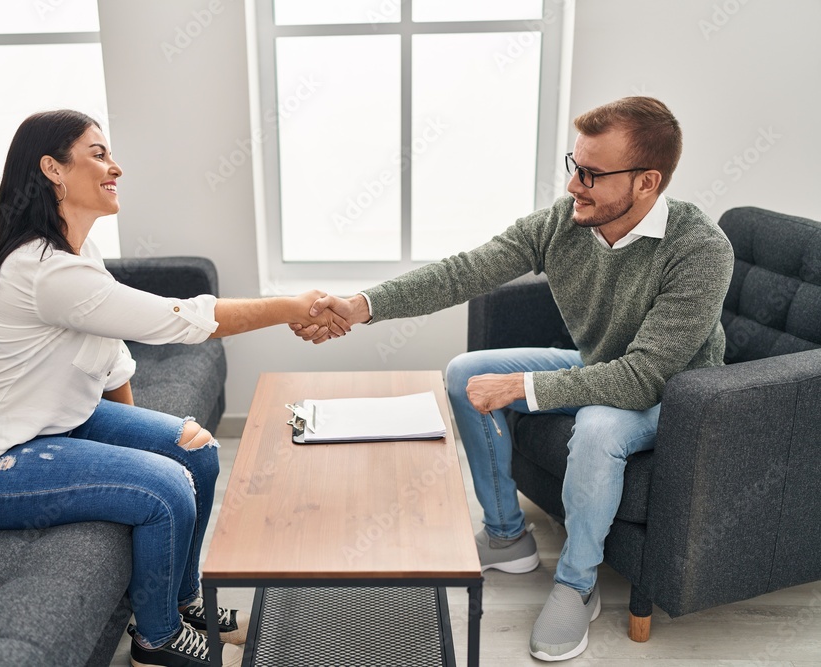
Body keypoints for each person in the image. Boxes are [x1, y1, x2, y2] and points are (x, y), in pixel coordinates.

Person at [294, 97, 734, 661]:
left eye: (592, 174)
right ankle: (507, 537)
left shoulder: (698, 250)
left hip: (675, 392)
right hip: (600, 365)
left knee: (599, 426)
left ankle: (577, 584)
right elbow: (467, 270)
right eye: (573, 165)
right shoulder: (566, 222)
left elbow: (643, 376)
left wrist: (523, 389)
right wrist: (362, 305)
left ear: (647, 182)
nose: (575, 184)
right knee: (466, 371)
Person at [0, 109, 347, 667]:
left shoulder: (80, 253)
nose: (115, 167)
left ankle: (182, 603)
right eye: (98, 154)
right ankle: (157, 642)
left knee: (193, 450)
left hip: (58, 423)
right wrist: (289, 307)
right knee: (164, 486)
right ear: (52, 169)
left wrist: (144, 443)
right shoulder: (45, 271)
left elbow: (112, 359)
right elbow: (176, 320)